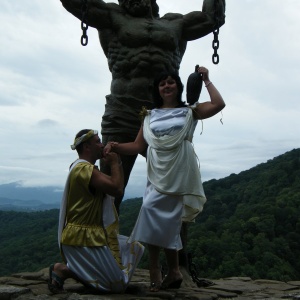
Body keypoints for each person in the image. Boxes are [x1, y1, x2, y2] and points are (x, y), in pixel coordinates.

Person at [59, 0, 226, 214]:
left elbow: (212, 18)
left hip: (162, 116)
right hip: (121, 109)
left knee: (174, 190)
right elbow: (74, 3)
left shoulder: (175, 23)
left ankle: (178, 247)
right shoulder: (112, 15)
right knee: (110, 191)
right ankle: (104, 244)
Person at [104, 66, 225, 291]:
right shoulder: (150, 115)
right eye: (162, 83)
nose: (167, 86)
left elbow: (219, 104)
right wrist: (117, 146)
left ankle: (163, 271)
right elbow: (138, 145)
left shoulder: (190, 111)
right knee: (156, 217)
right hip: (157, 173)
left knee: (165, 220)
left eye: (171, 82)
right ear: (157, 90)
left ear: (178, 86)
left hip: (178, 172)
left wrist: (207, 80)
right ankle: (170, 271)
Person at [48, 129, 144, 294]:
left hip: (86, 236)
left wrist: (116, 163)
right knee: (118, 285)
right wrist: (115, 163)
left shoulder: (82, 168)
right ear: (87, 147)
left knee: (132, 251)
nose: (102, 145)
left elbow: (114, 184)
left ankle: (75, 270)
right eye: (98, 142)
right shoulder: (84, 170)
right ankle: (65, 270)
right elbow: (117, 188)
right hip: (83, 238)